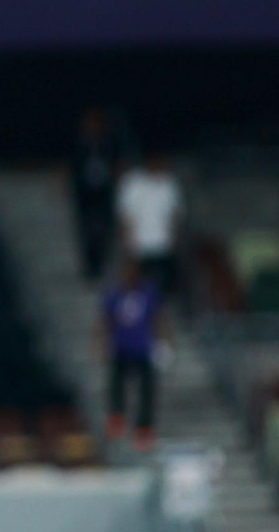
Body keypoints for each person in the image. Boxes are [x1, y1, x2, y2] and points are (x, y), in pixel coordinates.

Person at [95, 256, 171, 451]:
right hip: (122, 347)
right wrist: (102, 343)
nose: (129, 276)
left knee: (147, 389)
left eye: (133, 272)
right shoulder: (114, 294)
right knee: (116, 383)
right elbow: (105, 320)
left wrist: (163, 342)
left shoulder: (148, 292)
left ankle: (144, 427)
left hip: (142, 348)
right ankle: (117, 415)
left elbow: (159, 318)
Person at [116, 153, 183, 297]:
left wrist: (174, 238)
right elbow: (125, 214)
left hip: (163, 244)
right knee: (141, 285)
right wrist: (127, 240)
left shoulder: (169, 182)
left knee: (165, 286)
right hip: (140, 244)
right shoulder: (132, 182)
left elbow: (175, 214)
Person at [70, 108, 121, 281]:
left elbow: (116, 161)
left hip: (104, 192)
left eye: (95, 123)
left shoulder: (108, 142)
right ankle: (91, 266)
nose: (92, 127)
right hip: (85, 194)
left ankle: (104, 261)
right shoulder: (79, 143)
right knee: (88, 230)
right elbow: (73, 165)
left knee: (104, 228)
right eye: (89, 123)